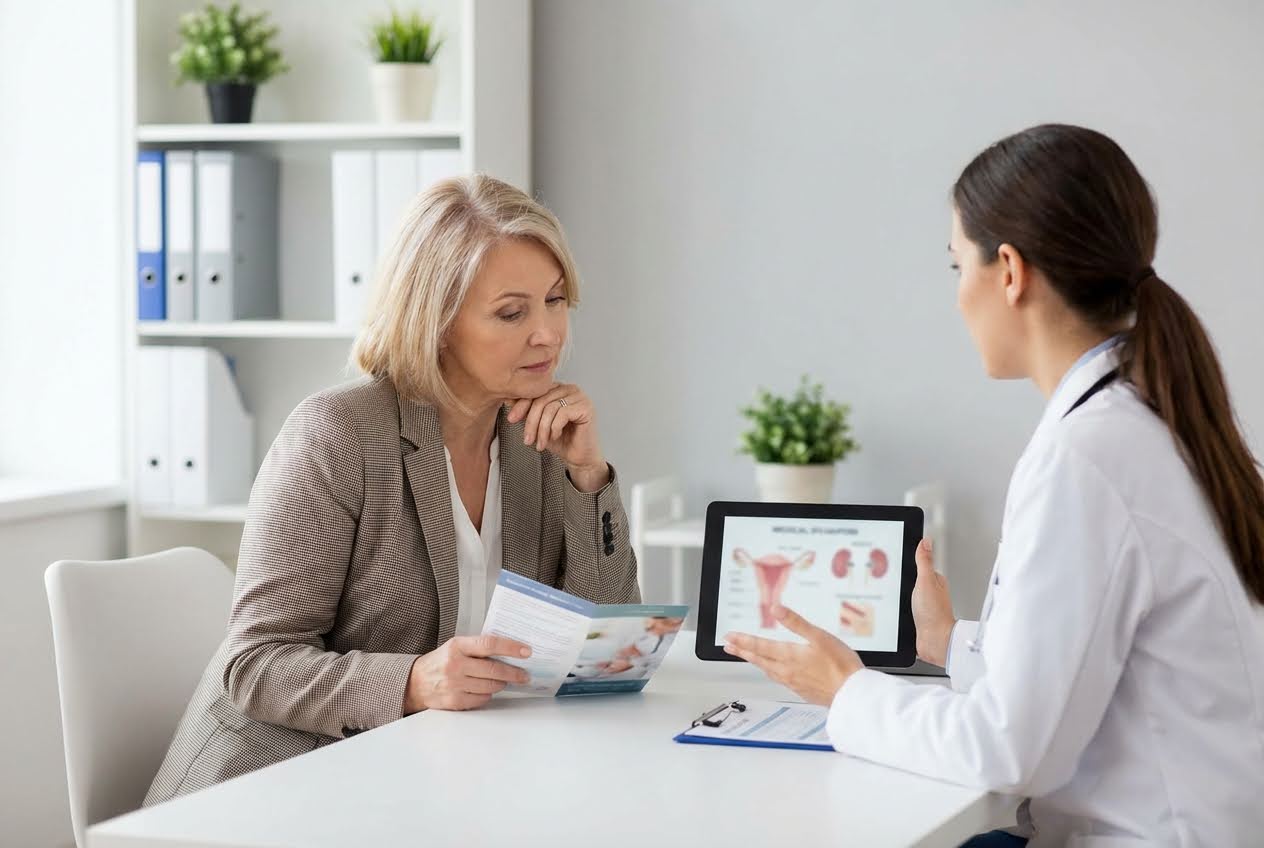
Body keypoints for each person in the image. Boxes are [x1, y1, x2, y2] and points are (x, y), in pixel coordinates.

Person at [724, 124, 1264, 846]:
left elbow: (1011, 751)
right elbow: (1100, 670)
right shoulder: (1149, 420)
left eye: (957, 267)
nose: (956, 300)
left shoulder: (1089, 456)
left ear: (1008, 270)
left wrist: (845, 690)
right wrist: (950, 642)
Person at [145, 175, 640, 805]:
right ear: (436, 322)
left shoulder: (534, 435)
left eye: (556, 300)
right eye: (512, 312)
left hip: (430, 781)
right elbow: (256, 666)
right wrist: (411, 682)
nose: (547, 333)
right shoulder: (341, 433)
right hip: (271, 794)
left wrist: (587, 477)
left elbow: (605, 641)